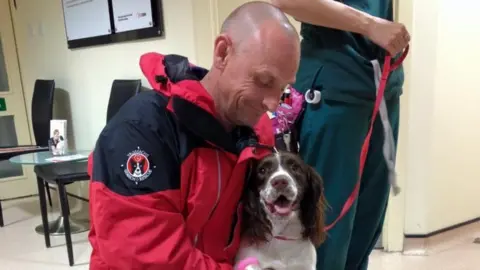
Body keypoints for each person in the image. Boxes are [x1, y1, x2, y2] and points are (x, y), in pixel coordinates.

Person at [87, 2, 300, 270]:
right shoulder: (142, 128)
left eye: (282, 90)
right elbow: (142, 256)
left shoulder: (259, 134)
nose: (272, 104)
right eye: (264, 81)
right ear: (223, 53)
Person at [270, 0, 410, 269]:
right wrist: (369, 25)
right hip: (336, 87)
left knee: (367, 223)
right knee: (329, 227)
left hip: (383, 85)